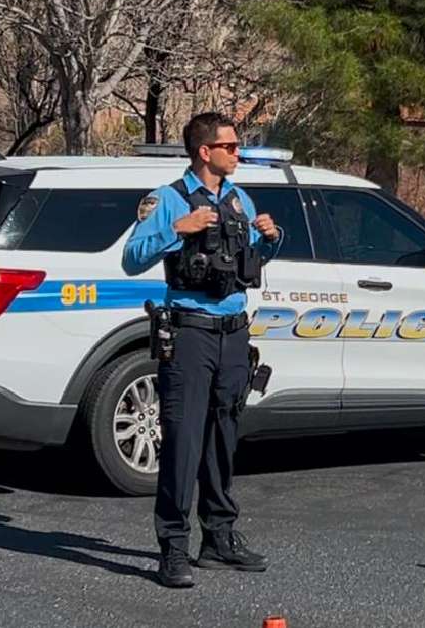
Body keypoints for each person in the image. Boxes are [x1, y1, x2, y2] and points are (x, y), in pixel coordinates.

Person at [122, 112, 280, 589]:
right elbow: (132, 259)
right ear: (204, 152)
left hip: (233, 331)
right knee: (183, 439)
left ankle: (219, 539)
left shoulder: (239, 198)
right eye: (230, 147)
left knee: (223, 436)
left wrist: (270, 239)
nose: (238, 154)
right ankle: (173, 547)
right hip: (189, 332)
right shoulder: (168, 199)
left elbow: (246, 260)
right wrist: (180, 228)